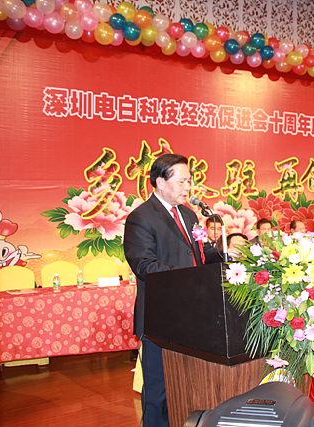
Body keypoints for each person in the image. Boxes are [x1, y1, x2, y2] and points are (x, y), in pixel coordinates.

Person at [123, 154, 219, 427]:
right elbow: (144, 265)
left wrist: (232, 259)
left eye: (189, 181)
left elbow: (202, 253)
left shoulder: (188, 214)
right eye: (182, 181)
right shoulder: (141, 217)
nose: (188, 187)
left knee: (188, 384)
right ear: (160, 182)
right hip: (161, 317)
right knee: (159, 389)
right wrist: (189, 277)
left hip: (194, 313)